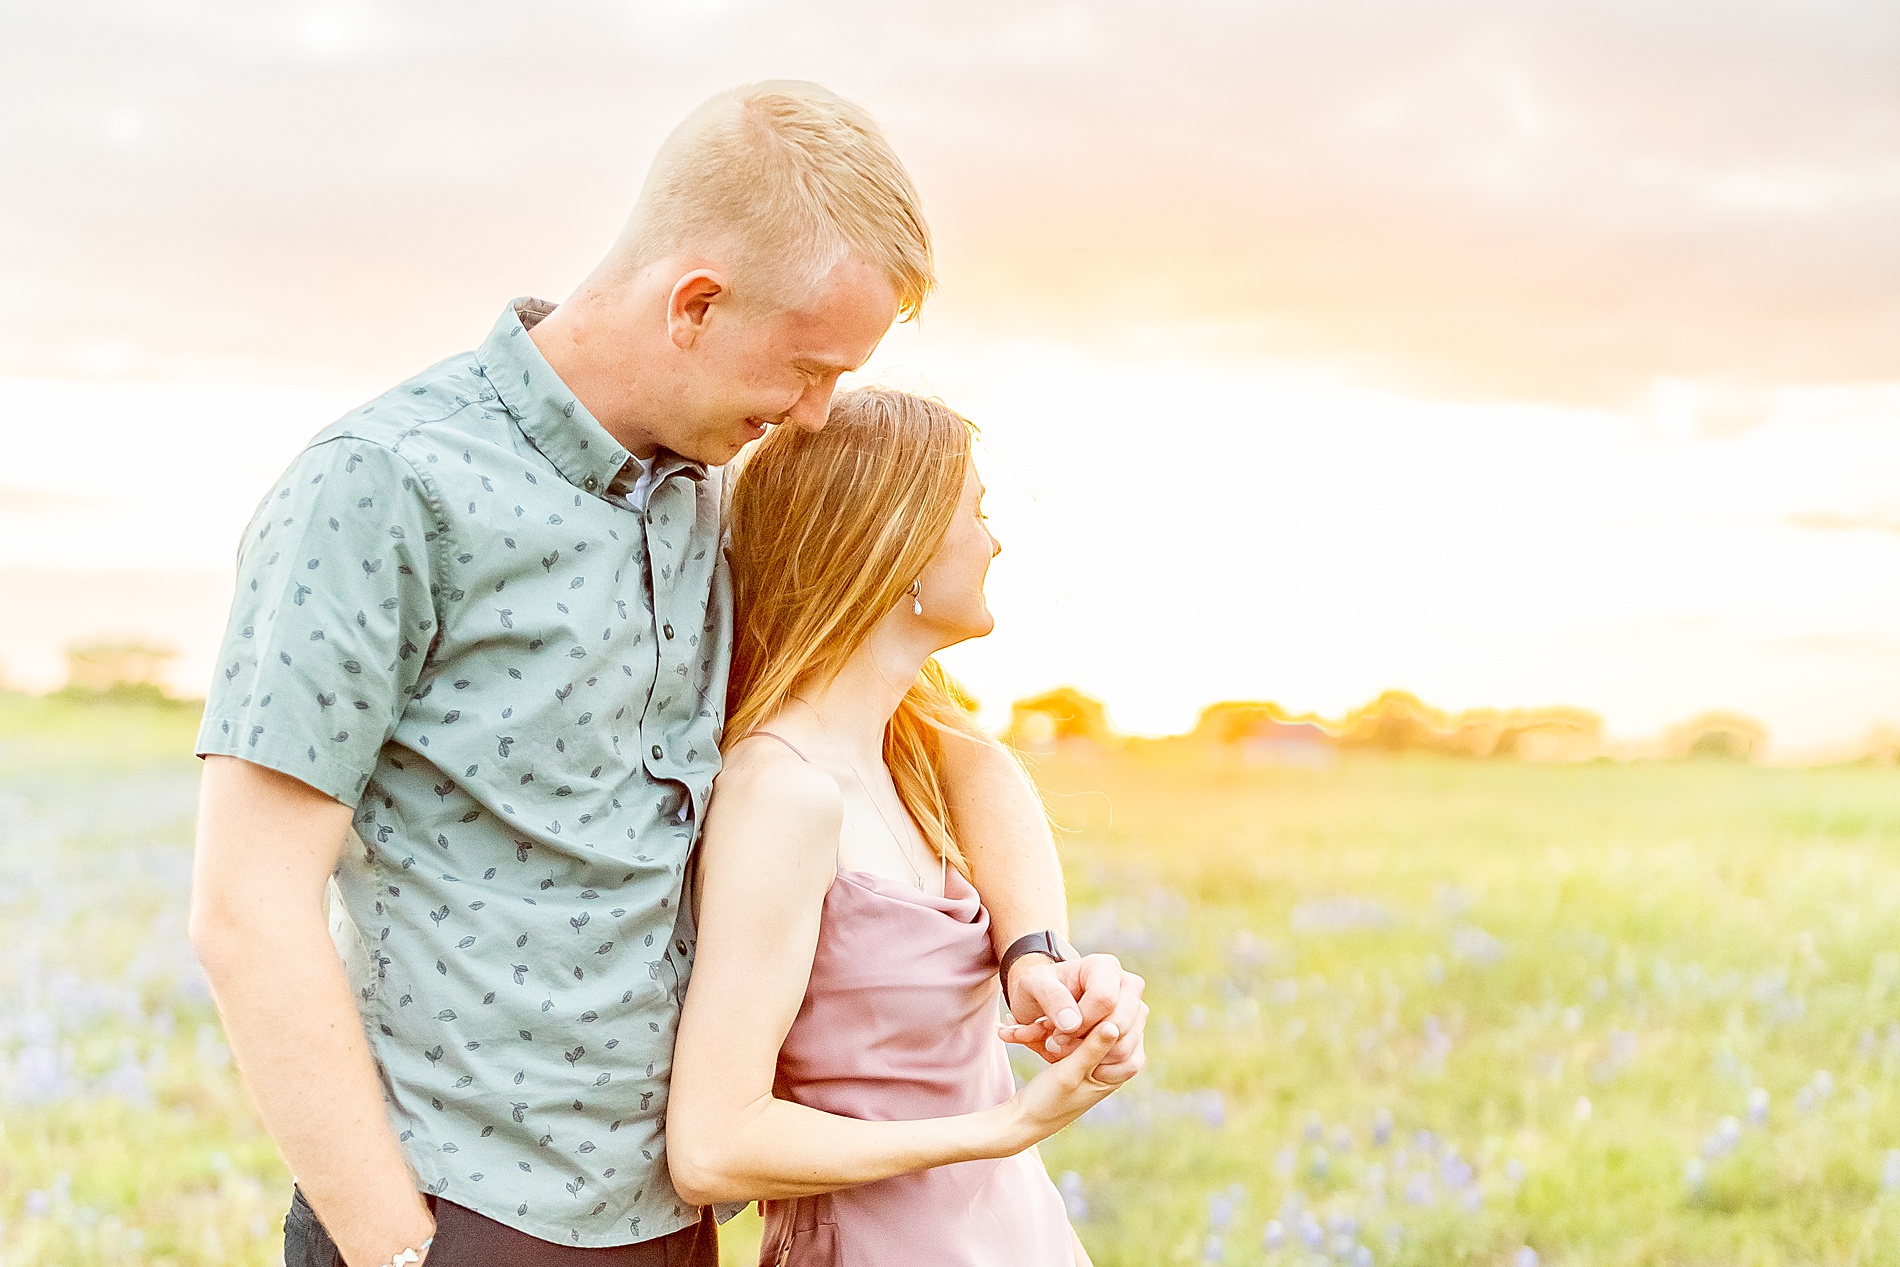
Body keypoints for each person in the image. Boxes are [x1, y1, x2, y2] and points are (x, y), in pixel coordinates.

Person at [186, 81, 1147, 1267]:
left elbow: (934, 740)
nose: (816, 415)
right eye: (806, 367)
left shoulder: (716, 498)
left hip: (676, 1223)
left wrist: (1032, 948)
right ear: (696, 302)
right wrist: (398, 1251)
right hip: (464, 1217)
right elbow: (248, 911)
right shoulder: (385, 484)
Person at [667, 389, 1143, 1266]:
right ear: (902, 543)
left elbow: (991, 782)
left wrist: (1049, 968)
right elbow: (712, 1145)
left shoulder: (914, 760)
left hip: (1013, 1236)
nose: (994, 542)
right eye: (977, 512)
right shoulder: (784, 793)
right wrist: (1003, 1125)